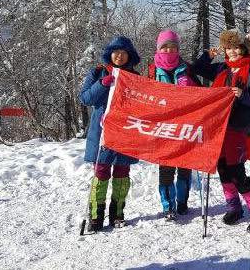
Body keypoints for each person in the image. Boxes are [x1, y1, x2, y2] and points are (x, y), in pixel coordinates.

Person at [191, 30, 250, 234]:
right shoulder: (221, 68)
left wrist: (243, 95)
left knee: (236, 171)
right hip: (218, 126)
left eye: (236, 47)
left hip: (238, 126)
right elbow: (196, 69)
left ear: (243, 48)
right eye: (228, 48)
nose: (232, 52)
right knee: (222, 167)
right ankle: (234, 207)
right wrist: (209, 55)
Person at [79, 36, 141, 232]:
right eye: (116, 52)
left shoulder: (135, 77)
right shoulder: (97, 73)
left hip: (126, 132)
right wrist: (103, 84)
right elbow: (85, 98)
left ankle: (117, 214)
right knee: (101, 173)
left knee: (122, 173)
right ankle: (96, 216)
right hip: (102, 133)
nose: (119, 56)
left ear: (129, 55)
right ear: (110, 54)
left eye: (123, 52)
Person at [148, 30, 196, 219]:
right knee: (166, 168)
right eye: (165, 46)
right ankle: (168, 206)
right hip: (163, 128)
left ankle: (183, 203)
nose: (169, 50)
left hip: (185, 125)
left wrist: (189, 83)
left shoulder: (186, 68)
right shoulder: (151, 71)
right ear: (159, 48)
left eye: (173, 46)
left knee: (185, 166)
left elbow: (202, 94)